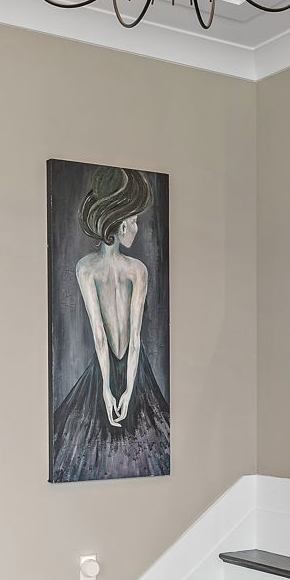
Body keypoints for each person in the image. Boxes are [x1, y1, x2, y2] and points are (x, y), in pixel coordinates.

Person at [51, 167, 169, 481]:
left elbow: (101, 337)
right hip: (133, 368)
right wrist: (127, 389)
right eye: (134, 221)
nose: (137, 228)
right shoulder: (136, 270)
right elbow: (134, 338)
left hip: (111, 369)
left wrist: (108, 388)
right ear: (119, 224)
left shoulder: (86, 268)